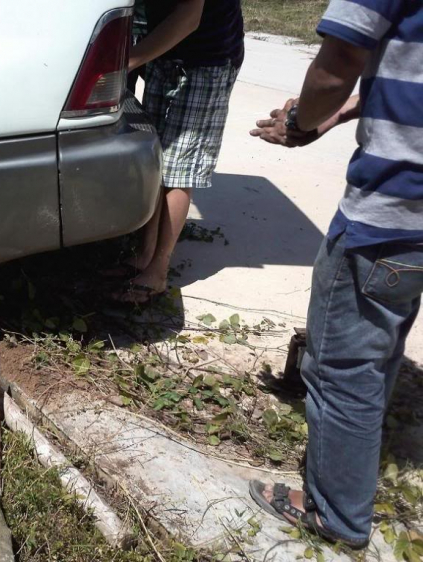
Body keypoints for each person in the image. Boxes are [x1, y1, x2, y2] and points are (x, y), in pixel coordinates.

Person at [248, 0, 423, 549]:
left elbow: (342, 54)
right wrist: (347, 110)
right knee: (382, 344)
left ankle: (334, 516)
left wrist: (302, 121)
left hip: (393, 212)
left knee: (343, 368)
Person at [106, 0, 244, 304]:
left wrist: (127, 60)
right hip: (166, 53)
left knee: (179, 171)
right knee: (157, 160)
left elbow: (188, 17)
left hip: (206, 63)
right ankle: (144, 256)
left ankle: (158, 270)